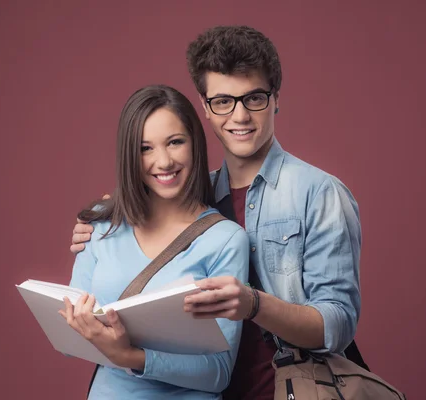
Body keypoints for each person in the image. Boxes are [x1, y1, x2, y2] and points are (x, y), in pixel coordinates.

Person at [71, 26, 362, 399]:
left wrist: (254, 304)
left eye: (254, 98)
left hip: (283, 391)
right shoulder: (190, 194)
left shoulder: (319, 193)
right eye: (223, 101)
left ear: (275, 98)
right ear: (205, 107)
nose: (239, 116)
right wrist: (98, 225)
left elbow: (337, 324)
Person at [60, 84, 250, 399]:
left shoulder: (225, 239)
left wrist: (130, 357)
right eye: (145, 148)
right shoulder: (101, 222)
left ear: (195, 144)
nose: (162, 162)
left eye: (175, 142)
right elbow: (71, 340)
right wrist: (80, 327)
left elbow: (218, 373)